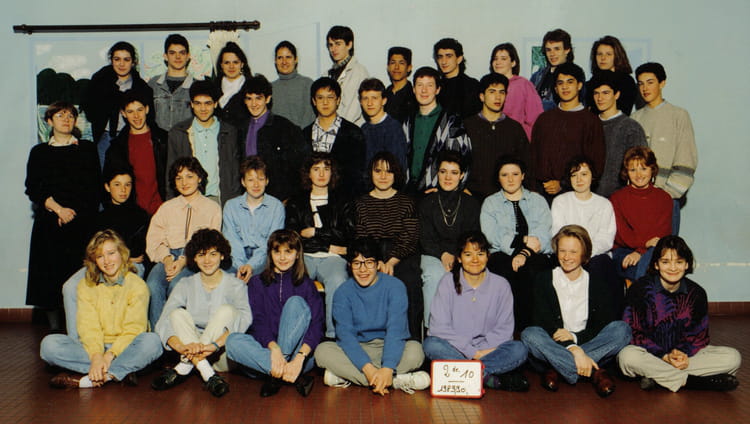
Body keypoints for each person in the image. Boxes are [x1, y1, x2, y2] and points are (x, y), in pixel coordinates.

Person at [41, 230, 162, 389]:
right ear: (94, 260)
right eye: (100, 256)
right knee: (48, 345)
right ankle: (119, 372)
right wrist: (97, 356)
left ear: (122, 254)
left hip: (125, 347)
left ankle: (90, 379)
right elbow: (88, 327)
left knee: (153, 342)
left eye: (111, 253)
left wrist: (110, 355)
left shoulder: (138, 286)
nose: (107, 261)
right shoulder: (86, 285)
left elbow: (134, 329)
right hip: (93, 348)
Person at [618, 236, 741, 392]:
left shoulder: (697, 293)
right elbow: (632, 332)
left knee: (732, 358)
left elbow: (699, 336)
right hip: (649, 354)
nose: (673, 268)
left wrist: (682, 353)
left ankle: (658, 377)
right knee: (627, 357)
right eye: (665, 262)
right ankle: (692, 382)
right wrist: (663, 356)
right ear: (656, 265)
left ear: (687, 264)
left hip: (683, 357)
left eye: (679, 262)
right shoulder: (640, 289)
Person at [521, 225, 631, 397]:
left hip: (588, 342)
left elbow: (602, 324)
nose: (566, 257)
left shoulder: (597, 282)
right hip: (554, 343)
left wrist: (575, 338)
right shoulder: (543, 279)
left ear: (584, 254)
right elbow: (542, 322)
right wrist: (573, 349)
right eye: (562, 251)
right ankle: (594, 372)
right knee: (530, 335)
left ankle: (559, 368)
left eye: (573, 252)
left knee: (622, 330)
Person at [315, 238, 430, 395]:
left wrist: (388, 367)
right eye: (357, 263)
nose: (363, 269)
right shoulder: (342, 292)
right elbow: (346, 336)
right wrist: (368, 369)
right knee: (322, 352)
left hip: (388, 346)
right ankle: (395, 380)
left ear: (378, 264)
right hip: (358, 348)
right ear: (349, 265)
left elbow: (396, 331)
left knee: (416, 351)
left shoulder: (395, 286)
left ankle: (351, 376)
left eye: (369, 262)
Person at [25, 101, 101, 329]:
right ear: (49, 121)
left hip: (81, 222)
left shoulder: (87, 149)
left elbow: (94, 187)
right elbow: (33, 188)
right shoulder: (39, 152)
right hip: (49, 222)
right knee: (48, 277)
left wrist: (71, 213)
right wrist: (58, 210)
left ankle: (79, 328)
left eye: (70, 116)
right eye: (60, 116)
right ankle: (55, 329)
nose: (66, 120)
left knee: (80, 278)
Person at [424, 231, 529, 392]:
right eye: (468, 254)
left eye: (480, 254)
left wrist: (480, 352)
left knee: (519, 349)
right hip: (455, 349)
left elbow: (504, 329)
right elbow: (438, 327)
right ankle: (486, 378)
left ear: (488, 256)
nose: (475, 260)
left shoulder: (501, 285)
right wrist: (471, 352)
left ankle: (465, 375)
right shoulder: (447, 282)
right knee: (431, 345)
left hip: (489, 352)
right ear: (459, 258)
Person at [151, 229, 251, 397]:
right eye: (201, 255)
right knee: (176, 314)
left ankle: (184, 366)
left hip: (221, 354)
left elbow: (245, 320)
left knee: (227, 311)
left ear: (222, 256)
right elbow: (163, 321)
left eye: (213, 254)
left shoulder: (236, 285)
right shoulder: (185, 284)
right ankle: (207, 372)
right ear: (194, 258)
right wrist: (182, 348)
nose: (207, 260)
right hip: (189, 347)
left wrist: (213, 346)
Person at [226, 230, 324, 397]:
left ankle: (276, 374)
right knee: (232, 341)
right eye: (277, 252)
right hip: (266, 353)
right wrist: (275, 350)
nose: (282, 257)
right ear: (270, 254)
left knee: (295, 302)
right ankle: (289, 375)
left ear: (297, 254)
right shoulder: (256, 283)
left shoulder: (306, 284)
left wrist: (300, 357)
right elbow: (258, 322)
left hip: (299, 357)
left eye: (288, 251)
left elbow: (317, 326)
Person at [62, 166, 151, 338]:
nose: (123, 190)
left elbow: (139, 253)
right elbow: (91, 250)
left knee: (123, 287)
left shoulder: (141, 216)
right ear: (107, 187)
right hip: (100, 263)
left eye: (127, 185)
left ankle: (124, 340)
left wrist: (124, 258)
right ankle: (76, 341)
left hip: (130, 265)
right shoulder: (98, 217)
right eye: (117, 184)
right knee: (70, 287)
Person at [145, 157, 222, 326]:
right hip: (168, 256)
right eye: (179, 178)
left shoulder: (212, 208)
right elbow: (155, 238)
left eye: (189, 176)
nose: (184, 182)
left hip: (195, 259)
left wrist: (184, 261)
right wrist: (167, 259)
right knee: (152, 286)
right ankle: (160, 333)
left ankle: (178, 333)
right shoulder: (167, 207)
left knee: (177, 285)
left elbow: (211, 243)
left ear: (199, 178)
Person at [285, 153, 354, 338]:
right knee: (294, 281)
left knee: (338, 280)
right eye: (316, 169)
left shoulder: (343, 201)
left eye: (326, 169)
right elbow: (293, 237)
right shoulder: (296, 202)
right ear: (308, 173)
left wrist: (316, 232)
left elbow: (346, 235)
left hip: (332, 259)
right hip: (304, 256)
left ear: (333, 173)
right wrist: (328, 245)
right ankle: (298, 336)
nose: (322, 174)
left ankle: (333, 336)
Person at [354, 152, 422, 339]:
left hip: (402, 255)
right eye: (378, 171)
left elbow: (409, 237)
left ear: (396, 174)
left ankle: (412, 339)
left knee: (410, 282)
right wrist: (376, 261)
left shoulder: (407, 202)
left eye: (389, 171)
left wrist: (391, 262)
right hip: (371, 254)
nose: (383, 176)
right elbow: (361, 237)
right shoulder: (361, 203)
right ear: (371, 173)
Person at [480, 155, 552, 330]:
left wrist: (524, 253)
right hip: (502, 253)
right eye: (504, 175)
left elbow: (543, 233)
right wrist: (522, 240)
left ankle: (534, 330)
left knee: (535, 270)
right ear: (498, 178)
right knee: (505, 270)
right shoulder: (490, 203)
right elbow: (491, 235)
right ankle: (508, 331)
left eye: (515, 174)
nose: (510, 179)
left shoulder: (538, 201)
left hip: (534, 254)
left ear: (523, 176)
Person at [631, 62, 697, 235]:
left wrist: (667, 195)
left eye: (650, 82)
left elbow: (686, 159)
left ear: (662, 83)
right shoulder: (635, 118)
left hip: (667, 198)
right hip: (638, 199)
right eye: (641, 83)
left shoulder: (678, 115)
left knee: (666, 248)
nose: (645, 88)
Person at [419, 150, 480, 326]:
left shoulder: (471, 203)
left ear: (461, 175)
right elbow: (424, 237)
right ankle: (433, 330)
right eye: (443, 171)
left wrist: (458, 256)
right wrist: (443, 254)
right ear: (437, 173)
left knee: (466, 276)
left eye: (454, 173)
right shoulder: (427, 201)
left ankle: (464, 330)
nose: (447, 177)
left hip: (462, 254)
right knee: (434, 275)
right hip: (432, 253)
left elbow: (473, 236)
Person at [551, 156, 620, 310]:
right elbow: (558, 234)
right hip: (566, 255)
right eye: (574, 175)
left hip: (595, 256)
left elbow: (606, 239)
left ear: (592, 176)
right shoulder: (560, 202)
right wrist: (573, 254)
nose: (579, 179)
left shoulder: (604, 204)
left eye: (584, 174)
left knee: (602, 267)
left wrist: (584, 254)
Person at [530, 62, 605, 203]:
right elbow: (533, 158)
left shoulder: (591, 121)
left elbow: (595, 165)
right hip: (541, 196)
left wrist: (563, 184)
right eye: (560, 83)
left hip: (575, 196)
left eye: (570, 82)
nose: (565, 87)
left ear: (579, 85)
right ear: (555, 88)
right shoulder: (544, 119)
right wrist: (534, 190)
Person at [166, 80, 241, 205]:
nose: (203, 109)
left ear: (215, 104)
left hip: (220, 199)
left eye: (208, 103)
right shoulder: (179, 133)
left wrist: (234, 202)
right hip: (189, 199)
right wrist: (172, 204)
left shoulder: (229, 132)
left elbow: (235, 171)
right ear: (191, 104)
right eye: (198, 103)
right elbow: (171, 172)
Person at [81, 41, 154, 167]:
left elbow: (150, 118)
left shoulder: (142, 87)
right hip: (105, 138)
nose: (121, 64)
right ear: (111, 60)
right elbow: (89, 109)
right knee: (105, 175)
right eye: (117, 59)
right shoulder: (99, 82)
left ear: (133, 62)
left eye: (126, 59)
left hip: (132, 138)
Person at [237, 74, 308, 202]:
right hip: (249, 198)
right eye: (249, 98)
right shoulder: (241, 129)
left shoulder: (285, 127)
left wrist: (288, 198)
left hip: (279, 199)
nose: (254, 104)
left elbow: (299, 166)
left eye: (258, 98)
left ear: (268, 99)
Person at [403, 67, 472, 193]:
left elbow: (463, 158)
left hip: (438, 192)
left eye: (429, 85)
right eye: (419, 85)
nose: (424, 90)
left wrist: (445, 190)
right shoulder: (408, 122)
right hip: (410, 190)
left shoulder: (451, 120)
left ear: (437, 90)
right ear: (413, 89)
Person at [464, 72, 530, 200]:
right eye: (492, 92)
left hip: (506, 196)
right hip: (472, 196)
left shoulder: (514, 128)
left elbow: (526, 164)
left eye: (502, 92)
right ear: (482, 96)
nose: (498, 97)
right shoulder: (468, 125)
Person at [610, 146, 672, 282]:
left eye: (643, 169)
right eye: (633, 170)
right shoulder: (617, 198)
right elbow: (621, 235)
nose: (638, 175)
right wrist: (644, 245)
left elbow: (661, 235)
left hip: (653, 250)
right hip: (624, 250)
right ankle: (646, 293)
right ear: (626, 172)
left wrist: (641, 251)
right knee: (648, 267)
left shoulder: (664, 198)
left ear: (652, 169)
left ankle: (641, 293)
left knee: (656, 259)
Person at [222, 156, 285, 283]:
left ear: (267, 181)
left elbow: (271, 242)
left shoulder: (276, 206)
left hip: (265, 257)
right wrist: (241, 266)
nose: (256, 185)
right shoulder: (231, 206)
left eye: (260, 179)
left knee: (259, 283)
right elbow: (232, 240)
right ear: (243, 182)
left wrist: (251, 266)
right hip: (236, 259)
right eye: (250, 180)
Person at [105, 90, 168, 215]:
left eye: (139, 110)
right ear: (123, 113)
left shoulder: (164, 139)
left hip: (163, 210)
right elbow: (110, 184)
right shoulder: (117, 147)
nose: (136, 116)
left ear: (147, 109)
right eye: (130, 111)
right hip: (133, 213)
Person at [303, 77, 366, 200]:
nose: (325, 102)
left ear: (338, 100)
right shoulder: (304, 134)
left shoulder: (353, 132)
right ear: (313, 101)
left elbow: (357, 176)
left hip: (344, 201)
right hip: (312, 200)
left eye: (330, 97)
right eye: (320, 98)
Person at [589, 73, 647, 198]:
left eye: (605, 93)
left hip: (621, 200)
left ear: (616, 95)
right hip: (590, 200)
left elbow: (640, 170)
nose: (600, 98)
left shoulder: (631, 128)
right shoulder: (589, 126)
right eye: (596, 93)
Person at [489, 43, 543, 140]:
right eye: (495, 59)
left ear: (513, 63)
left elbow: (535, 119)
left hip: (518, 140)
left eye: (503, 59)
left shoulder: (523, 85)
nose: (498, 62)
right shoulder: (487, 86)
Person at [148, 34, 198, 131]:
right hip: (158, 139)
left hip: (186, 139)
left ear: (188, 56)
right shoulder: (153, 84)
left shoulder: (196, 86)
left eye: (182, 53)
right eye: (172, 53)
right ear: (165, 56)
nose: (177, 57)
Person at [585, 35, 641, 116]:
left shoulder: (627, 81)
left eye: (608, 54)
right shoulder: (591, 82)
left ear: (617, 56)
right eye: (599, 54)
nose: (603, 58)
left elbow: (623, 112)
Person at [359, 78, 408, 170]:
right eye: (365, 98)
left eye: (374, 98)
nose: (369, 103)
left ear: (384, 101)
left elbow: (399, 166)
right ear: (361, 102)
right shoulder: (364, 128)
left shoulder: (393, 128)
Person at [326, 25, 369, 126]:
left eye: (338, 44)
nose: (333, 49)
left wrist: (335, 129)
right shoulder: (328, 74)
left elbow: (353, 111)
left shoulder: (359, 72)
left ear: (349, 45)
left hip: (350, 129)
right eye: (330, 45)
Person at [271, 40, 316, 128]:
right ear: (275, 61)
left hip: (303, 135)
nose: (284, 62)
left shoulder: (307, 84)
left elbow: (309, 118)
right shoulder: (270, 88)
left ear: (296, 59)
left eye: (288, 57)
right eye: (280, 58)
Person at [433, 38, 481, 118]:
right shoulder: (435, 86)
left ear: (459, 59)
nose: (444, 61)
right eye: (440, 57)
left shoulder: (472, 85)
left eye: (449, 56)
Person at [530, 29, 574, 111]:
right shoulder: (536, 77)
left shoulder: (575, 76)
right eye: (548, 50)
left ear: (567, 50)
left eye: (557, 49)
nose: (552, 54)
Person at [214, 41, 253, 129]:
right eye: (227, 63)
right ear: (221, 65)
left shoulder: (251, 86)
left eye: (235, 62)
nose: (231, 66)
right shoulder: (213, 87)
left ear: (242, 64)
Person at [384, 46, 416, 123]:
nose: (396, 67)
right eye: (393, 63)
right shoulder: (384, 94)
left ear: (409, 67)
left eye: (401, 63)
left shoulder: (414, 95)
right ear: (388, 67)